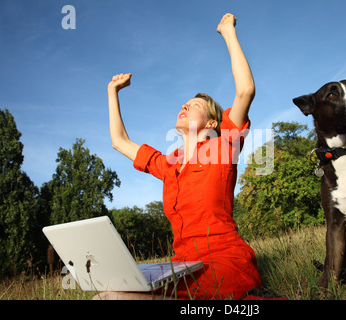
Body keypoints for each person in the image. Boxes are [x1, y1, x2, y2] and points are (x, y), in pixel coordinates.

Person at [95, 13, 261, 300]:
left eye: (194, 105)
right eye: (184, 103)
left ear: (211, 123)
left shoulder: (223, 146)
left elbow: (245, 90)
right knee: (106, 293)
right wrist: (112, 92)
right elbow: (119, 142)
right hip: (182, 266)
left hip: (225, 261)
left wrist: (227, 31)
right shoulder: (169, 164)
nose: (184, 105)